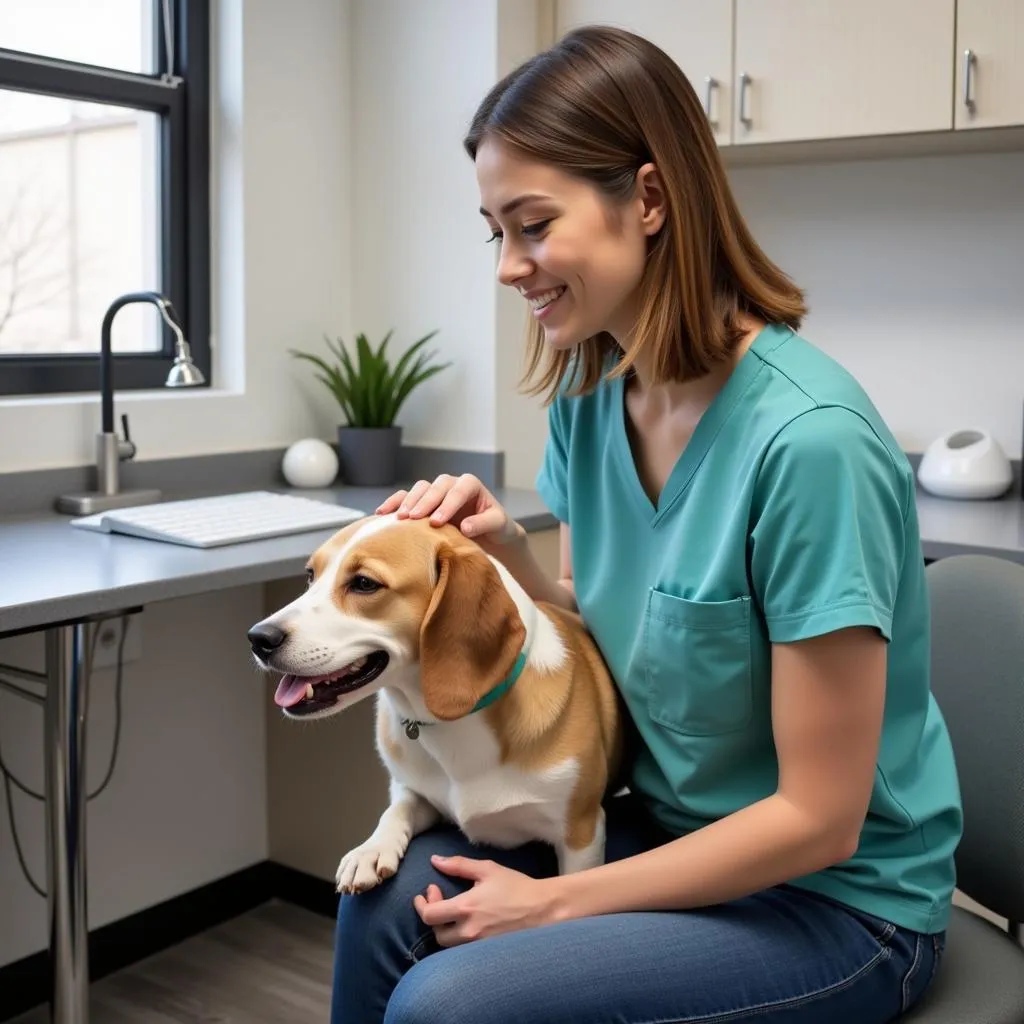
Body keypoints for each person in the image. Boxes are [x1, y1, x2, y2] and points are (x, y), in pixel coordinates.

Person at [330, 24, 963, 1024]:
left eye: (531, 225)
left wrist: (555, 902)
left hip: (836, 905)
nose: (507, 265)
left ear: (651, 199)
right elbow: (623, 635)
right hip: (671, 835)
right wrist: (507, 562)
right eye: (493, 231)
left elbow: (820, 820)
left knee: (453, 1003)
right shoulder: (591, 402)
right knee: (378, 913)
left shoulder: (810, 446)